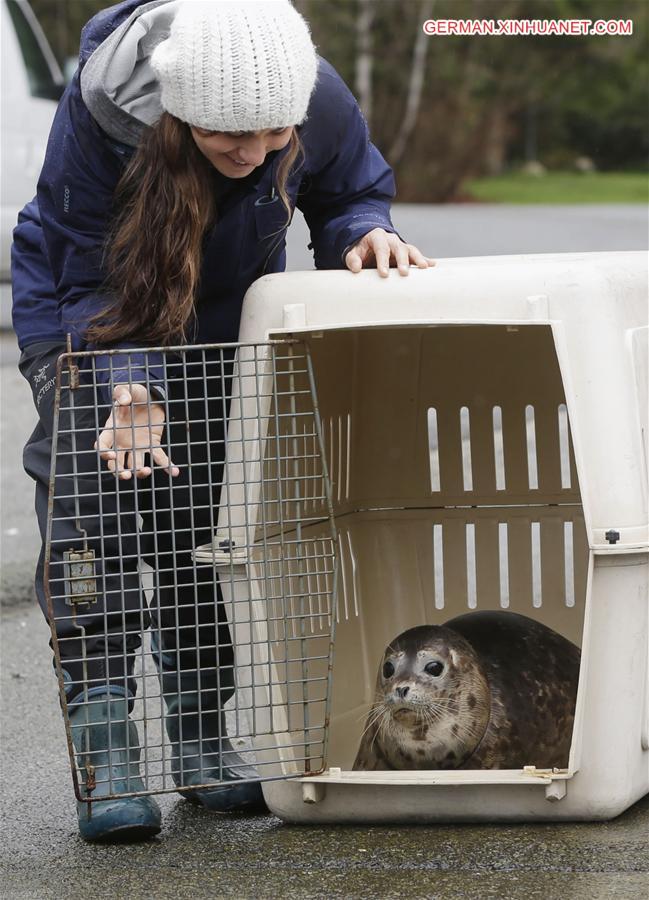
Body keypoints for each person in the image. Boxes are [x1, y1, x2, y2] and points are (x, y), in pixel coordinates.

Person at [11, 0, 435, 843]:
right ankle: (107, 755)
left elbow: (350, 188)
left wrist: (364, 233)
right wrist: (126, 389)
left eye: (272, 136)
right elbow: (86, 269)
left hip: (216, 323)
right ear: (176, 116)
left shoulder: (313, 95)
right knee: (95, 515)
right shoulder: (103, 114)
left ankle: (200, 740)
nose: (252, 156)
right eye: (224, 138)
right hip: (84, 320)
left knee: (204, 522)